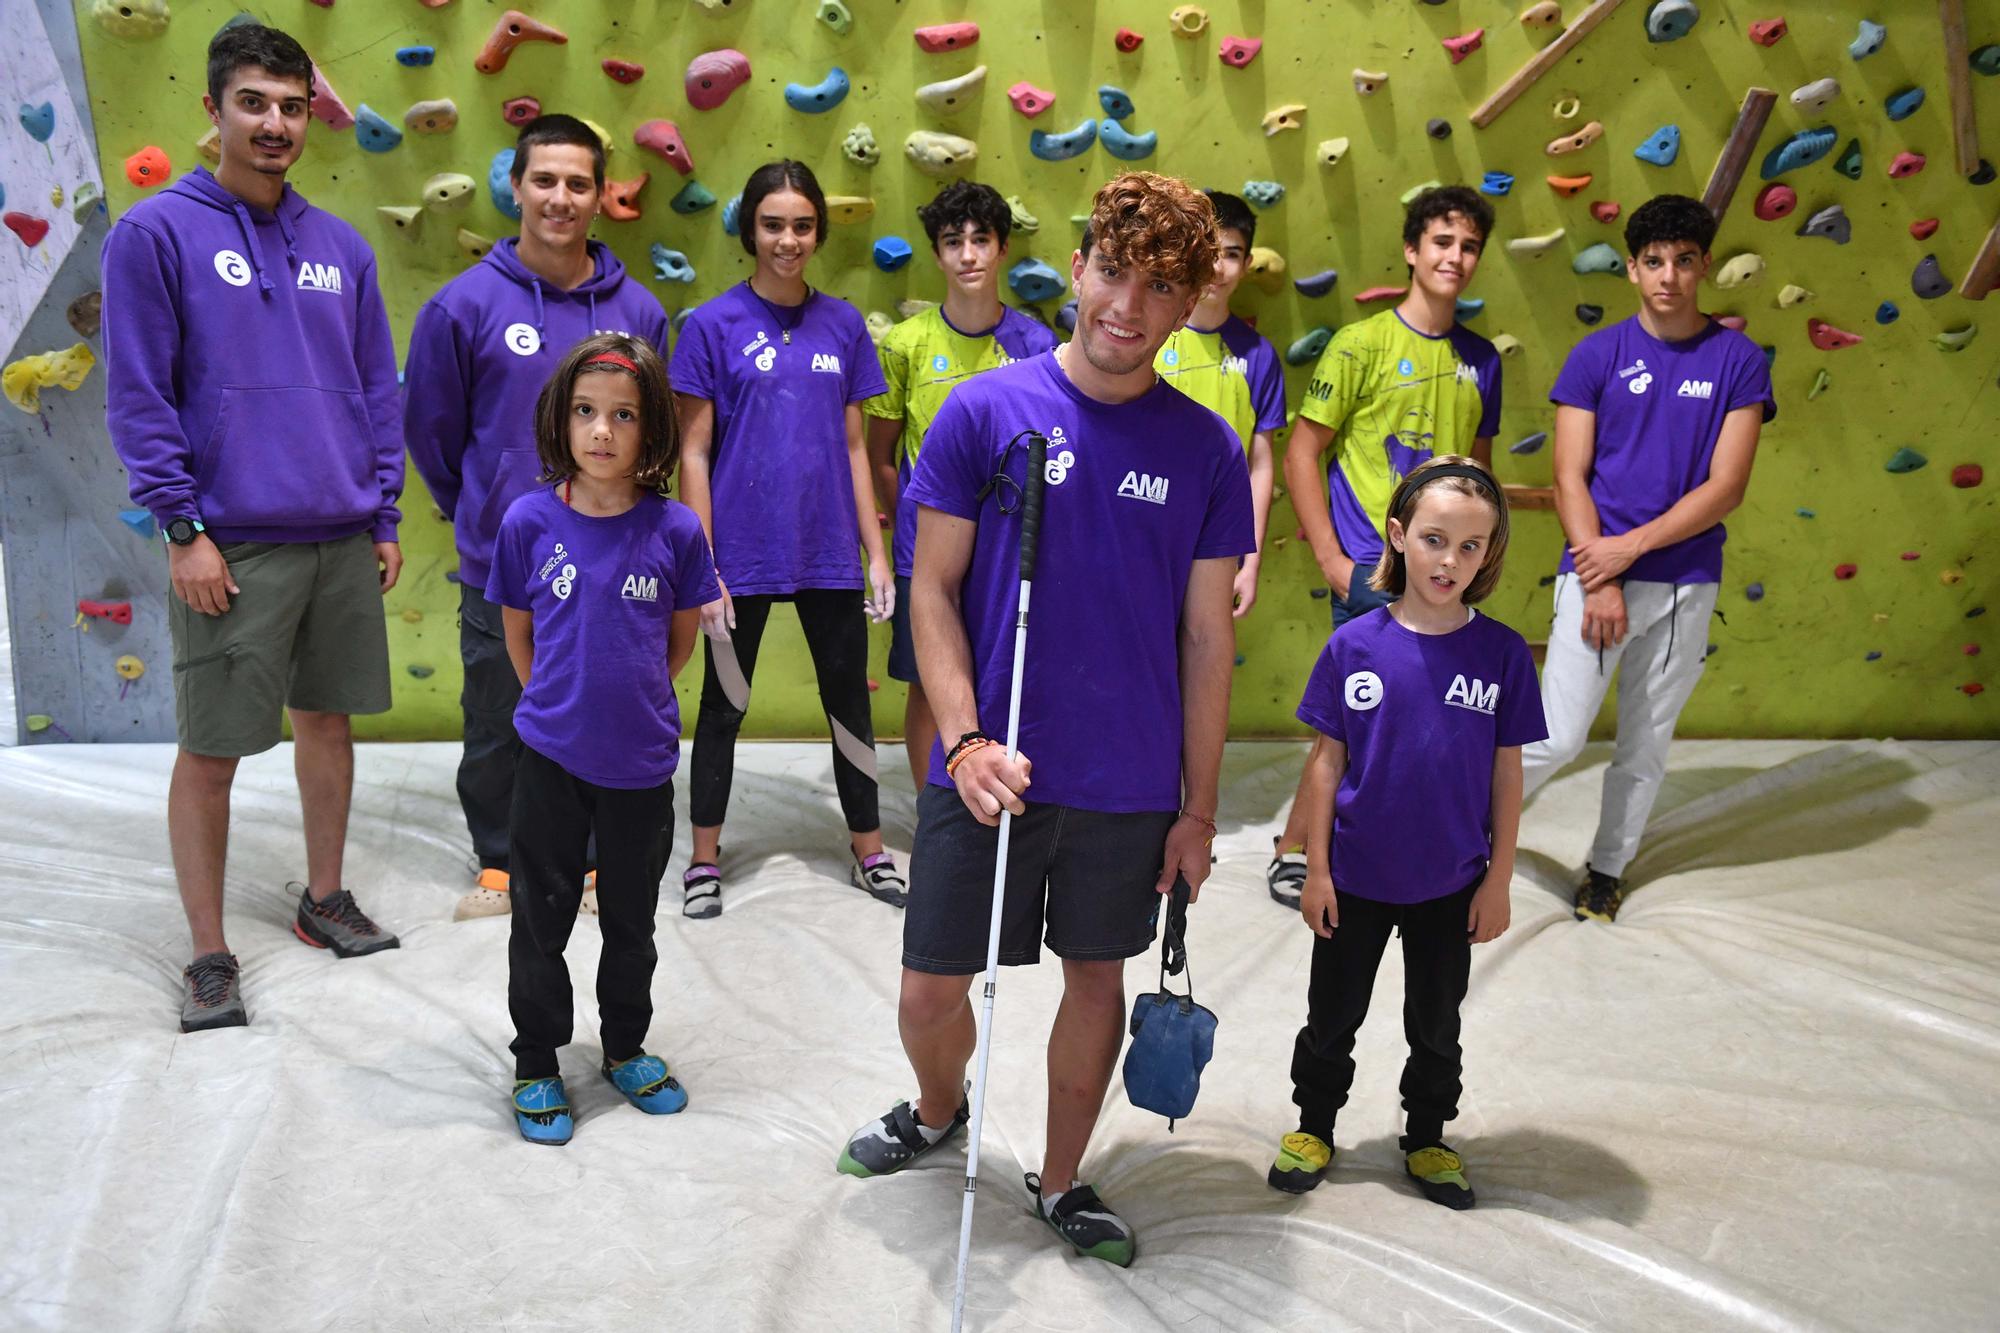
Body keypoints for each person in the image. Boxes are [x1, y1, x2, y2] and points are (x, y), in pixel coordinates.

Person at [836, 172, 1253, 1268]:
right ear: (1075, 269)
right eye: (1111, 272)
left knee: (1095, 983)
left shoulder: (1205, 450)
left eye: (1159, 286)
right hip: (988, 767)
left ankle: (1061, 1178)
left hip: (1125, 782)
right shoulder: (985, 412)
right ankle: (938, 1110)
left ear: (1186, 302)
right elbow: (930, 591)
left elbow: (1208, 640)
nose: (1127, 305)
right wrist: (964, 738)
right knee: (928, 991)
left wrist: (1198, 810)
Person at [102, 23, 405, 1034]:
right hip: (228, 544)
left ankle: (324, 900)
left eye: (289, 106)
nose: (274, 125)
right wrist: (181, 527)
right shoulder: (152, 236)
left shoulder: (342, 248)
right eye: (253, 104)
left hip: (341, 534)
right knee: (215, 748)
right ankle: (208, 951)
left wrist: (383, 510)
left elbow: (375, 391)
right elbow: (139, 396)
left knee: (329, 721)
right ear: (214, 111)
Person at [404, 113, 671, 922]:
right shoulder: (463, 306)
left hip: (617, 564)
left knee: (605, 705)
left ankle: (590, 859)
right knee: (499, 714)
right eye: (544, 180)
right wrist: (491, 512)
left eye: (578, 183)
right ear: (515, 187)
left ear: (601, 196)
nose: (560, 198)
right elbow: (432, 433)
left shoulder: (640, 313)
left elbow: (654, 436)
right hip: (505, 562)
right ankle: (498, 860)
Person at [1268, 456, 1546, 1209]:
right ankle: (1314, 1124)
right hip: (1354, 878)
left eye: (1469, 546)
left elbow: (1507, 775)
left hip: (1450, 885)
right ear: (1397, 535)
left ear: (1489, 554)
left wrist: (1497, 879)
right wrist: (1317, 870)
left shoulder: (1501, 654)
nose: (1448, 560)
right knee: (1332, 1016)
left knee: (1437, 1022)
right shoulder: (1353, 646)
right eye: (1433, 538)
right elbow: (1326, 766)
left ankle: (1427, 1134)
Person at [488, 333, 720, 1145]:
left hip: (641, 764)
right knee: (539, 919)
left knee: (631, 922)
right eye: (586, 412)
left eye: (623, 416)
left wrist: (629, 705)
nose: (602, 431)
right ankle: (536, 1059)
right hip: (549, 759)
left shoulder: (679, 530)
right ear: (561, 418)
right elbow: (519, 637)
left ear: (651, 429)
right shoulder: (526, 522)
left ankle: (624, 1044)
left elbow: (678, 644)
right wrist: (556, 708)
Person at [1521, 194, 1776, 922]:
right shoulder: (1597, 354)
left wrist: (1624, 553)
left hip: (1682, 584)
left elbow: (1726, 487)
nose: (1669, 275)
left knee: (1644, 742)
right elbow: (1568, 474)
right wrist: (1598, 573)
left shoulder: (1737, 360)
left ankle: (1607, 867)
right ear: (1632, 269)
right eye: (1655, 261)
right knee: (1557, 735)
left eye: (1685, 261)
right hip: (1593, 575)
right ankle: (1464, 825)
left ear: (1703, 267)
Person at [673, 160, 900, 919]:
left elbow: (853, 451)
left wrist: (876, 555)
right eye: (773, 224)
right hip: (739, 556)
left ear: (818, 233)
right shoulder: (709, 326)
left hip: (829, 553)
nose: (788, 239)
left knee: (848, 706)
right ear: (749, 230)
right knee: (724, 706)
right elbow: (693, 452)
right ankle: (704, 858)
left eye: (802, 225)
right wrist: (702, 566)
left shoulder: (843, 325)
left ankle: (869, 848)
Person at [1268, 186, 1503, 910]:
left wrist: (1477, 569)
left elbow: (1479, 476)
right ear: (1412, 250)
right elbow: (1302, 453)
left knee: (1422, 720)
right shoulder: (1360, 344)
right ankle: (1295, 850)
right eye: (1441, 242)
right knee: (1352, 721)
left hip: (1444, 576)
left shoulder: (1482, 360)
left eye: (1467, 246)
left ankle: (1403, 846)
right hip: (1373, 569)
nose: (1454, 258)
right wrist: (1335, 562)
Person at [866, 180, 1059, 788]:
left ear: (1003, 249)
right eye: (954, 242)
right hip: (924, 549)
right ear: (937, 253)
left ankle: (1001, 791)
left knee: (1007, 674)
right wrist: (922, 528)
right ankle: (935, 814)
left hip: (1012, 551)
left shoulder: (1038, 346)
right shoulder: (904, 346)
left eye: (982, 239)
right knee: (929, 682)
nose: (968, 254)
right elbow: (881, 457)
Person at [1153, 189, 1284, 618]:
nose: (1216, 266)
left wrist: (1253, 557)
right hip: (1142, 528)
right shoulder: (1148, 332)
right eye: (1208, 248)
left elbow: (1260, 464)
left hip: (1216, 545)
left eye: (1231, 253)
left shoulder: (1259, 356)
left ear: (1247, 265)